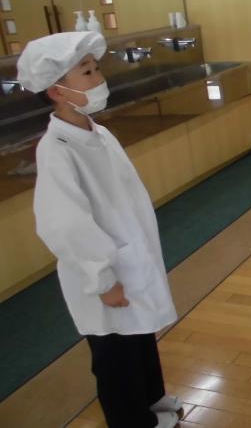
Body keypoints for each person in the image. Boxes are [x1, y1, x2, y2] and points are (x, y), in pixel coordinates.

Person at [17, 32, 183, 428]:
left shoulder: (98, 133)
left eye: (97, 68)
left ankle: (152, 399)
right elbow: (64, 225)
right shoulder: (57, 149)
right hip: (102, 274)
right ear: (56, 91)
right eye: (87, 72)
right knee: (115, 356)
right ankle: (131, 421)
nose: (99, 78)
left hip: (129, 258)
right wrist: (102, 277)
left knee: (141, 336)